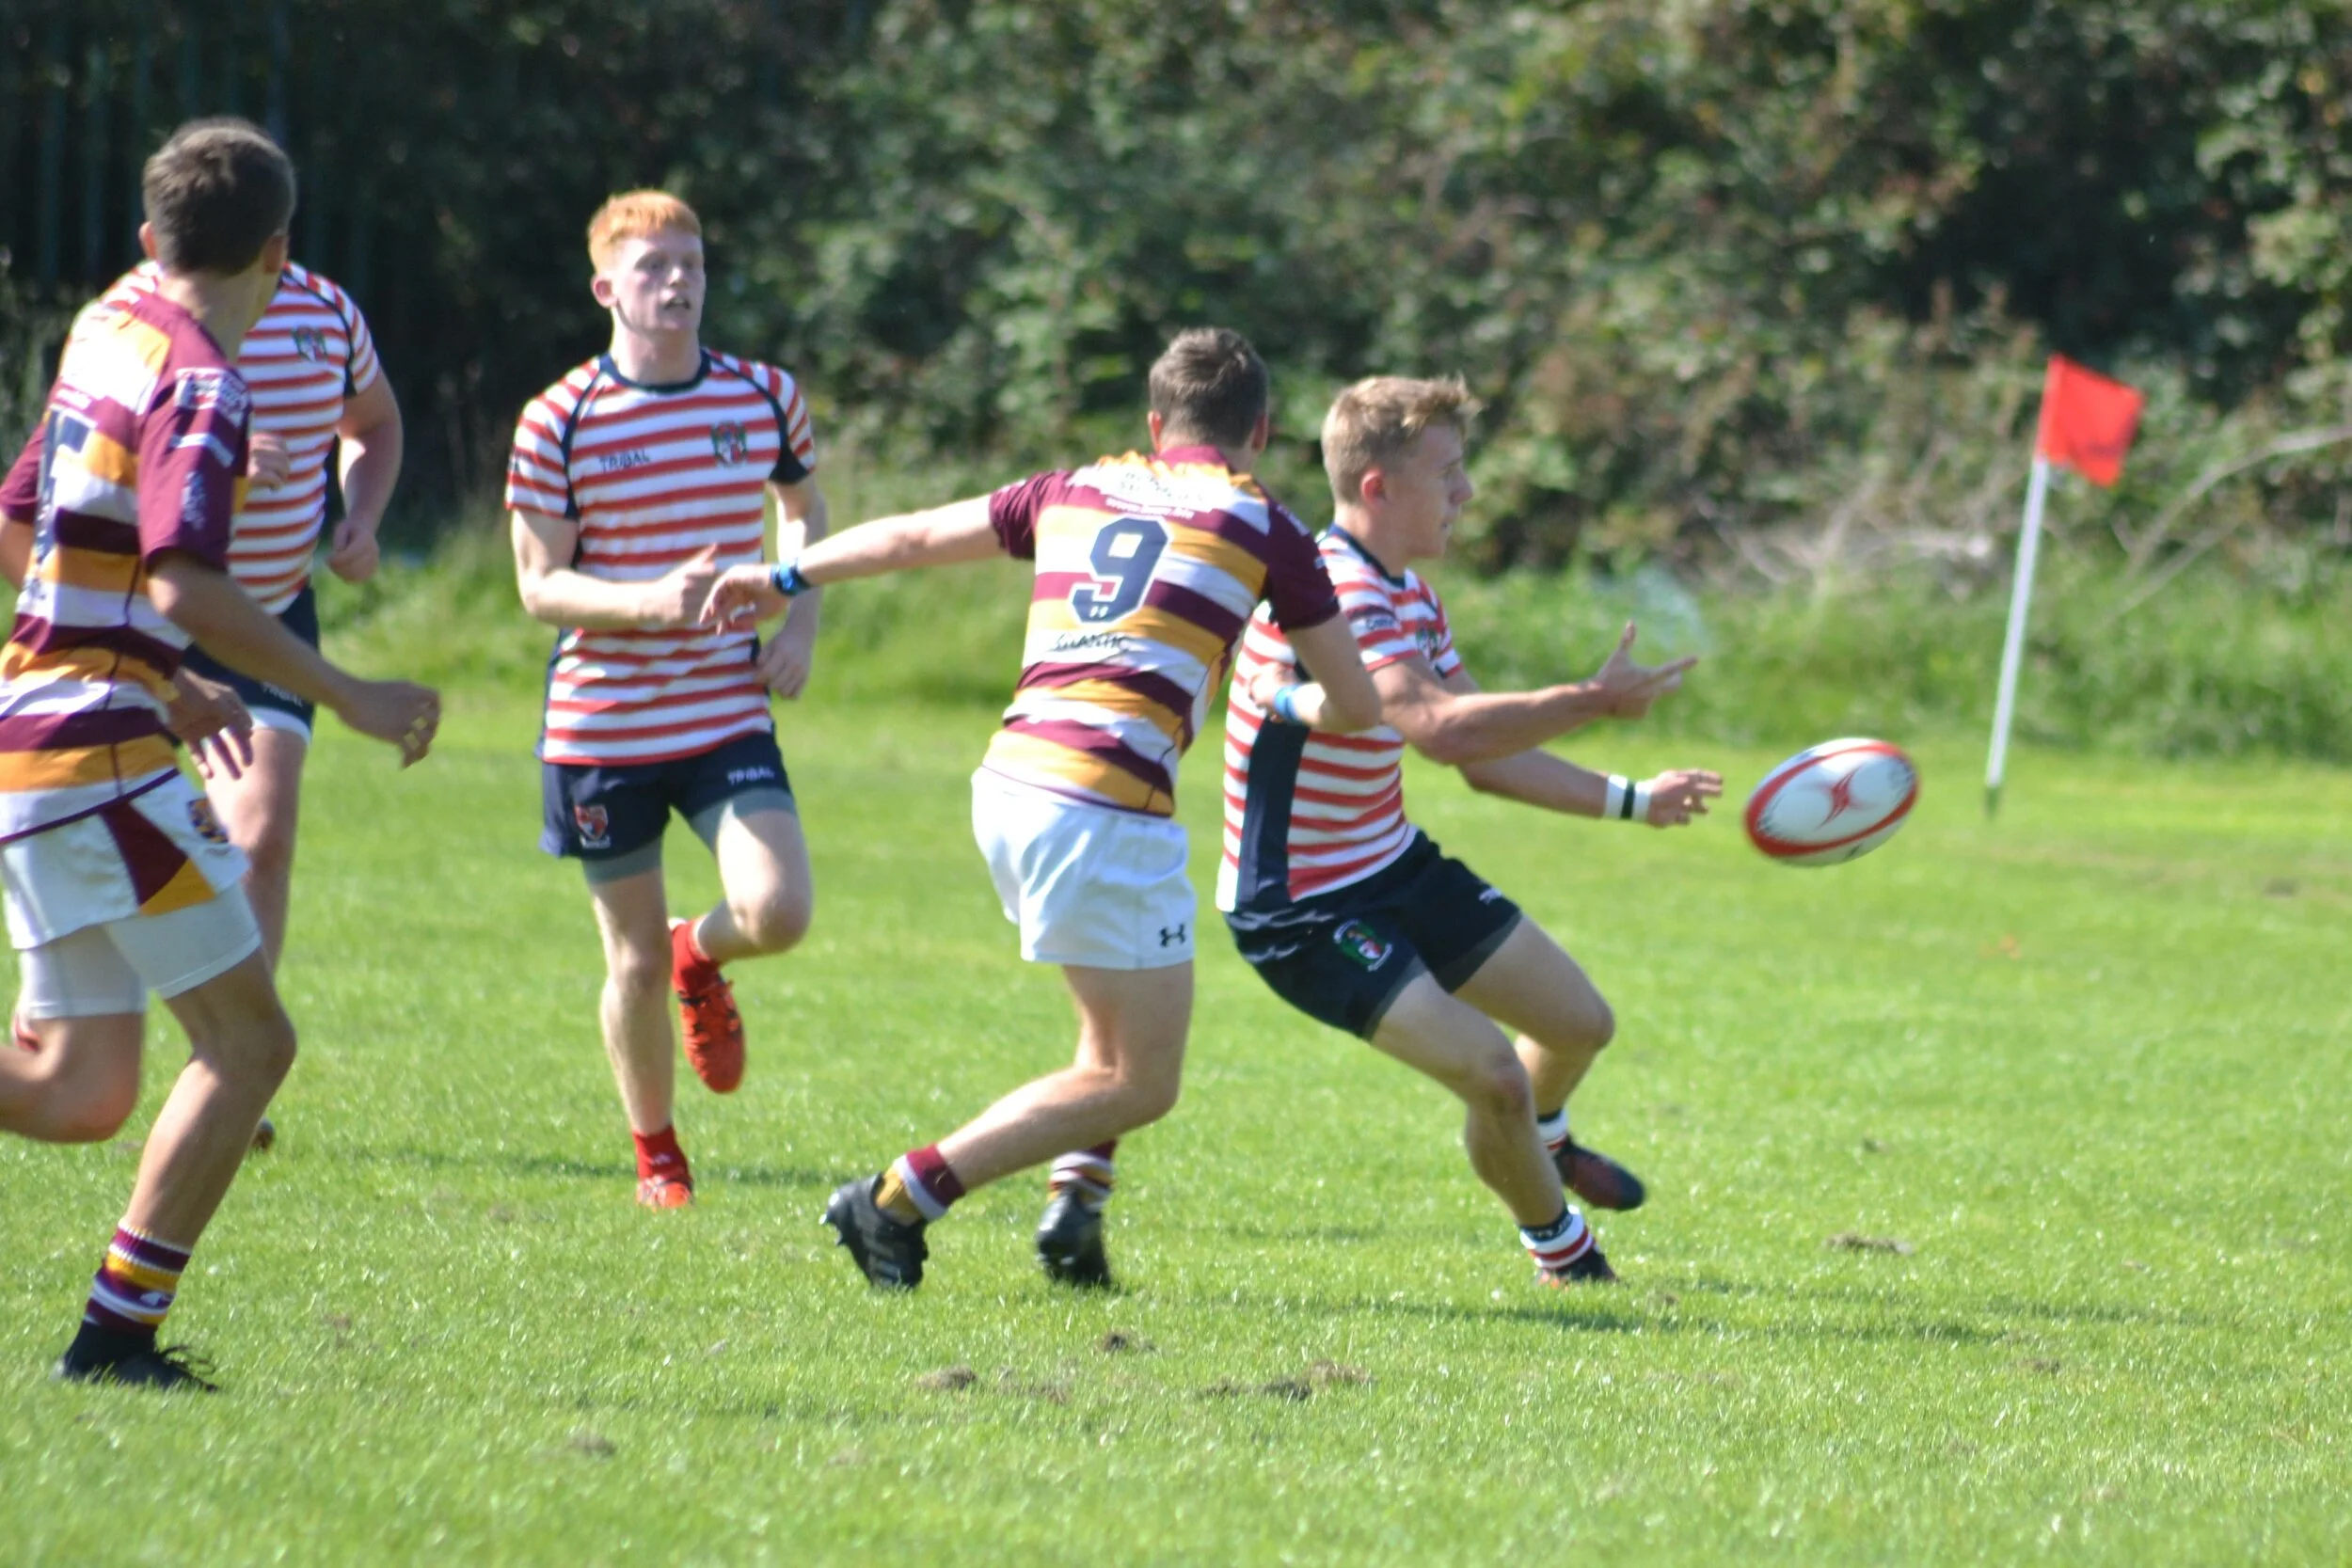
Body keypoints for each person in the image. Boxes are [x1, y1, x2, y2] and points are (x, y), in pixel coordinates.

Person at [704, 327, 1384, 1289]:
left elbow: (912, 536)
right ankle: (895, 1198)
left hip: (1011, 781)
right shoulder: (1265, 525)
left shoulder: (1073, 486)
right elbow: (1357, 704)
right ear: (1261, 432)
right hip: (1104, 808)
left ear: (1155, 425)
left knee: (1107, 1036)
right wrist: (1282, 699)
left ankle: (1076, 1210)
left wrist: (782, 576)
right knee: (1140, 1079)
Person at [0, 118, 439, 1389]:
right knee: (251, 1045)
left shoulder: (106, 329)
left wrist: (160, 672)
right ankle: (116, 1335)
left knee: (80, 1089)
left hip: (41, 733)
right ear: (277, 251)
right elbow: (186, 580)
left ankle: (114, 1337)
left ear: (153, 236)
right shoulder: (202, 382)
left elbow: (20, 520)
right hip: (95, 758)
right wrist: (344, 689)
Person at [1214, 375, 1722, 1286]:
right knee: (1495, 1076)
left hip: (1390, 863)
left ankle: (1542, 1139)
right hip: (1302, 909)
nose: (1468, 492)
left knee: (1578, 1024)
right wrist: (1592, 699)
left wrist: (1634, 799)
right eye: (1448, 473)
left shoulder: (1410, 594)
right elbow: (1440, 729)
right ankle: (1564, 1254)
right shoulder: (1332, 590)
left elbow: (1485, 755)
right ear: (1378, 487)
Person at [508, 190, 827, 1210]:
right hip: (603, 725)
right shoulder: (559, 418)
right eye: (653, 268)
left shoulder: (763, 394)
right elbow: (538, 585)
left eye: (691, 263)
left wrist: (797, 618)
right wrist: (647, 602)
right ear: (606, 288)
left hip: (724, 708)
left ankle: (705, 951)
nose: (679, 282)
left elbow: (803, 509)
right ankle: (658, 1156)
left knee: (779, 910)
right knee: (631, 961)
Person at [91, 205, 405, 1154]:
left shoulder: (328, 314)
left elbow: (374, 422)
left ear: (277, 243)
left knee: (259, 835)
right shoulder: (128, 317)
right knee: (100, 830)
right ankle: (67, 1017)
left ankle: (230, 1071)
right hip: (142, 619)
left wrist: (360, 514)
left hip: (265, 619)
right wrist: (223, 467)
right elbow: (88, 472)